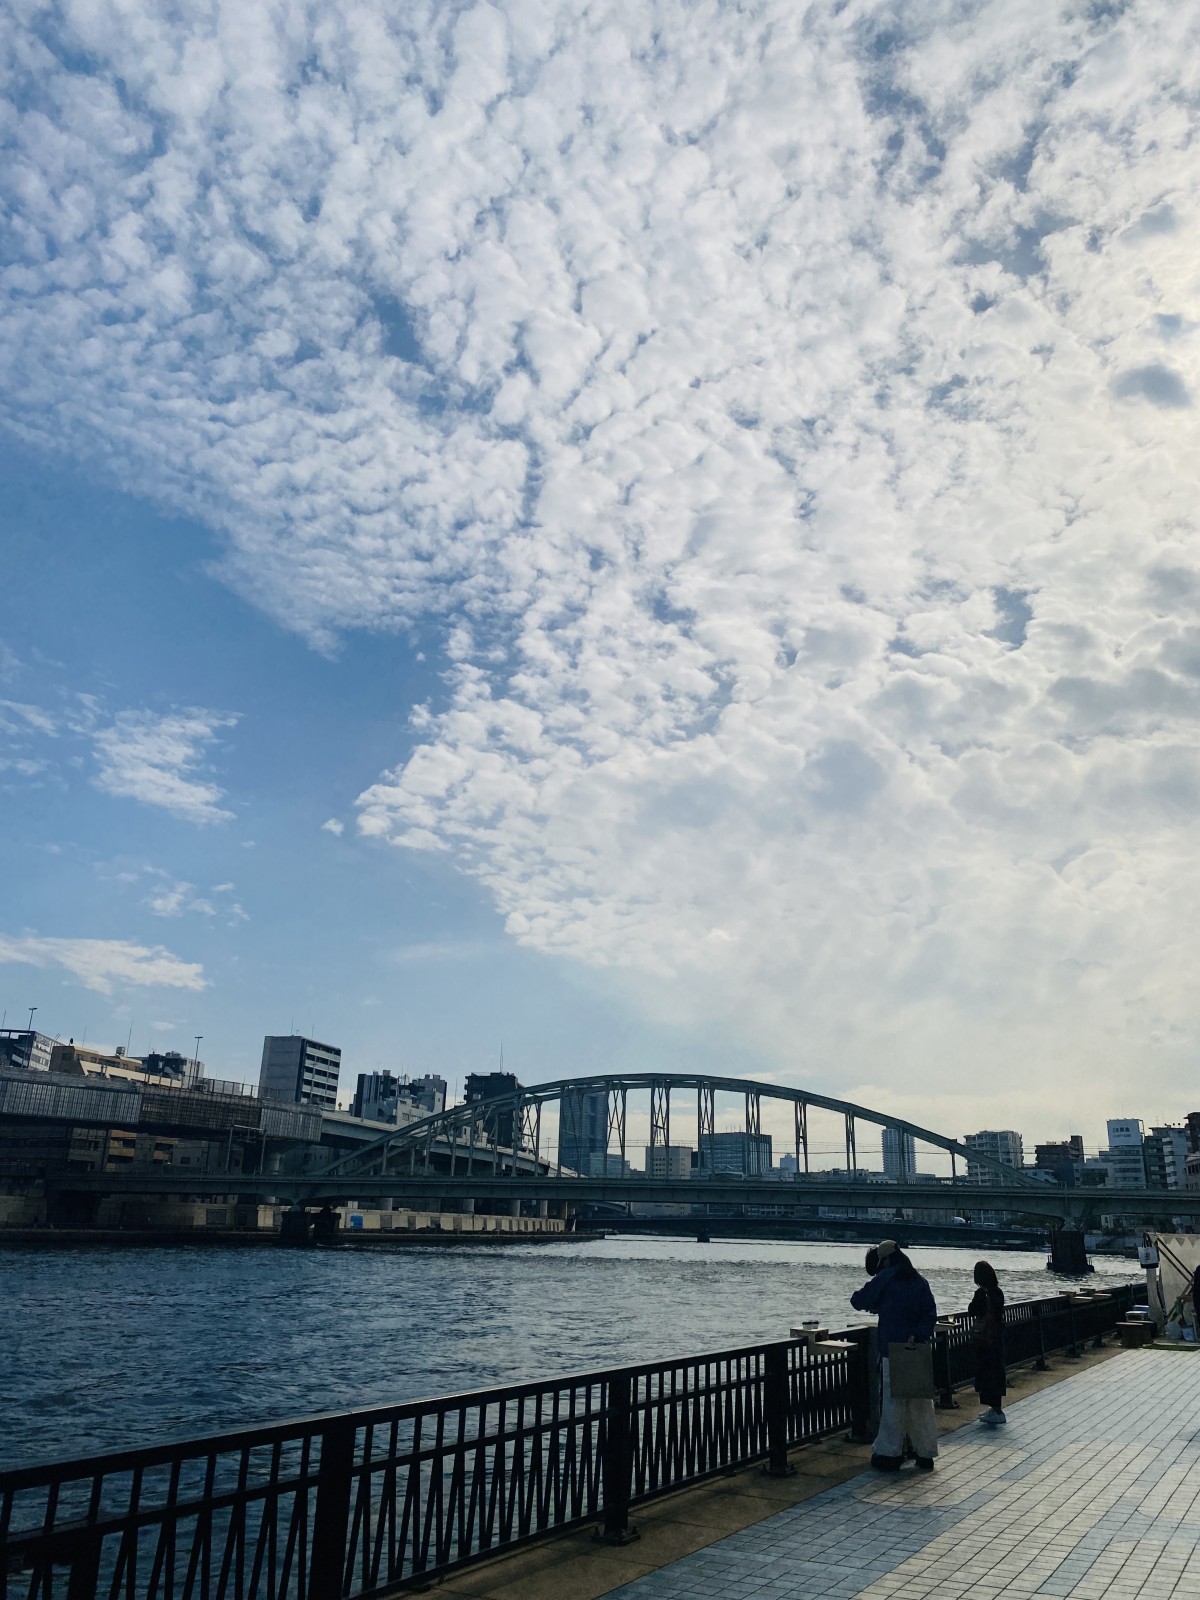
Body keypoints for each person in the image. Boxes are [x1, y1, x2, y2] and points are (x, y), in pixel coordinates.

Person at [850, 1239, 939, 1471]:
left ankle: (889, 1454)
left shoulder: (886, 1278)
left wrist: (878, 1303)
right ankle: (925, 1453)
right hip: (917, 1349)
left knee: (893, 1403)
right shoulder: (920, 1281)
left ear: (887, 1260)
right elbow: (930, 1314)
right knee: (920, 1403)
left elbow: (858, 1300)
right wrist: (918, 1334)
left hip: (892, 1349)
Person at [968, 1260, 1007, 1425]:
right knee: (996, 1373)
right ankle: (995, 1408)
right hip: (996, 1339)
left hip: (984, 1341)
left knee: (985, 1373)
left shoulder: (981, 1294)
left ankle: (995, 1411)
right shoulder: (998, 1292)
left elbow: (972, 1310)